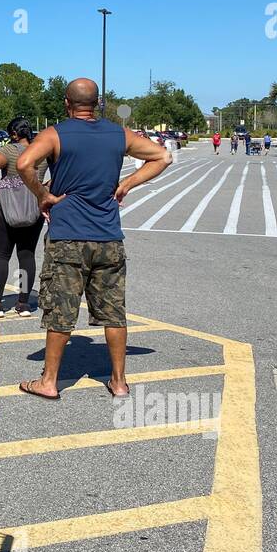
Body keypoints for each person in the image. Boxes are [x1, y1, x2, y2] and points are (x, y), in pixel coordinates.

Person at [16, 78, 171, 401]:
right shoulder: (118, 134)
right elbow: (162, 157)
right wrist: (128, 183)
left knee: (61, 311)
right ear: (98, 103)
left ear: (66, 103)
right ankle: (118, 381)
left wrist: (43, 194)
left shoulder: (55, 133)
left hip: (67, 236)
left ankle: (49, 381)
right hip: (108, 237)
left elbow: (23, 164)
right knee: (114, 312)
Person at [0, 116, 46, 316]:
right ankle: (23, 303)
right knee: (27, 255)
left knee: (1, 255)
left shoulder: (10, 150)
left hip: (10, 209)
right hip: (34, 208)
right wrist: (44, 188)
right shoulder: (41, 151)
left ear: (14, 134)